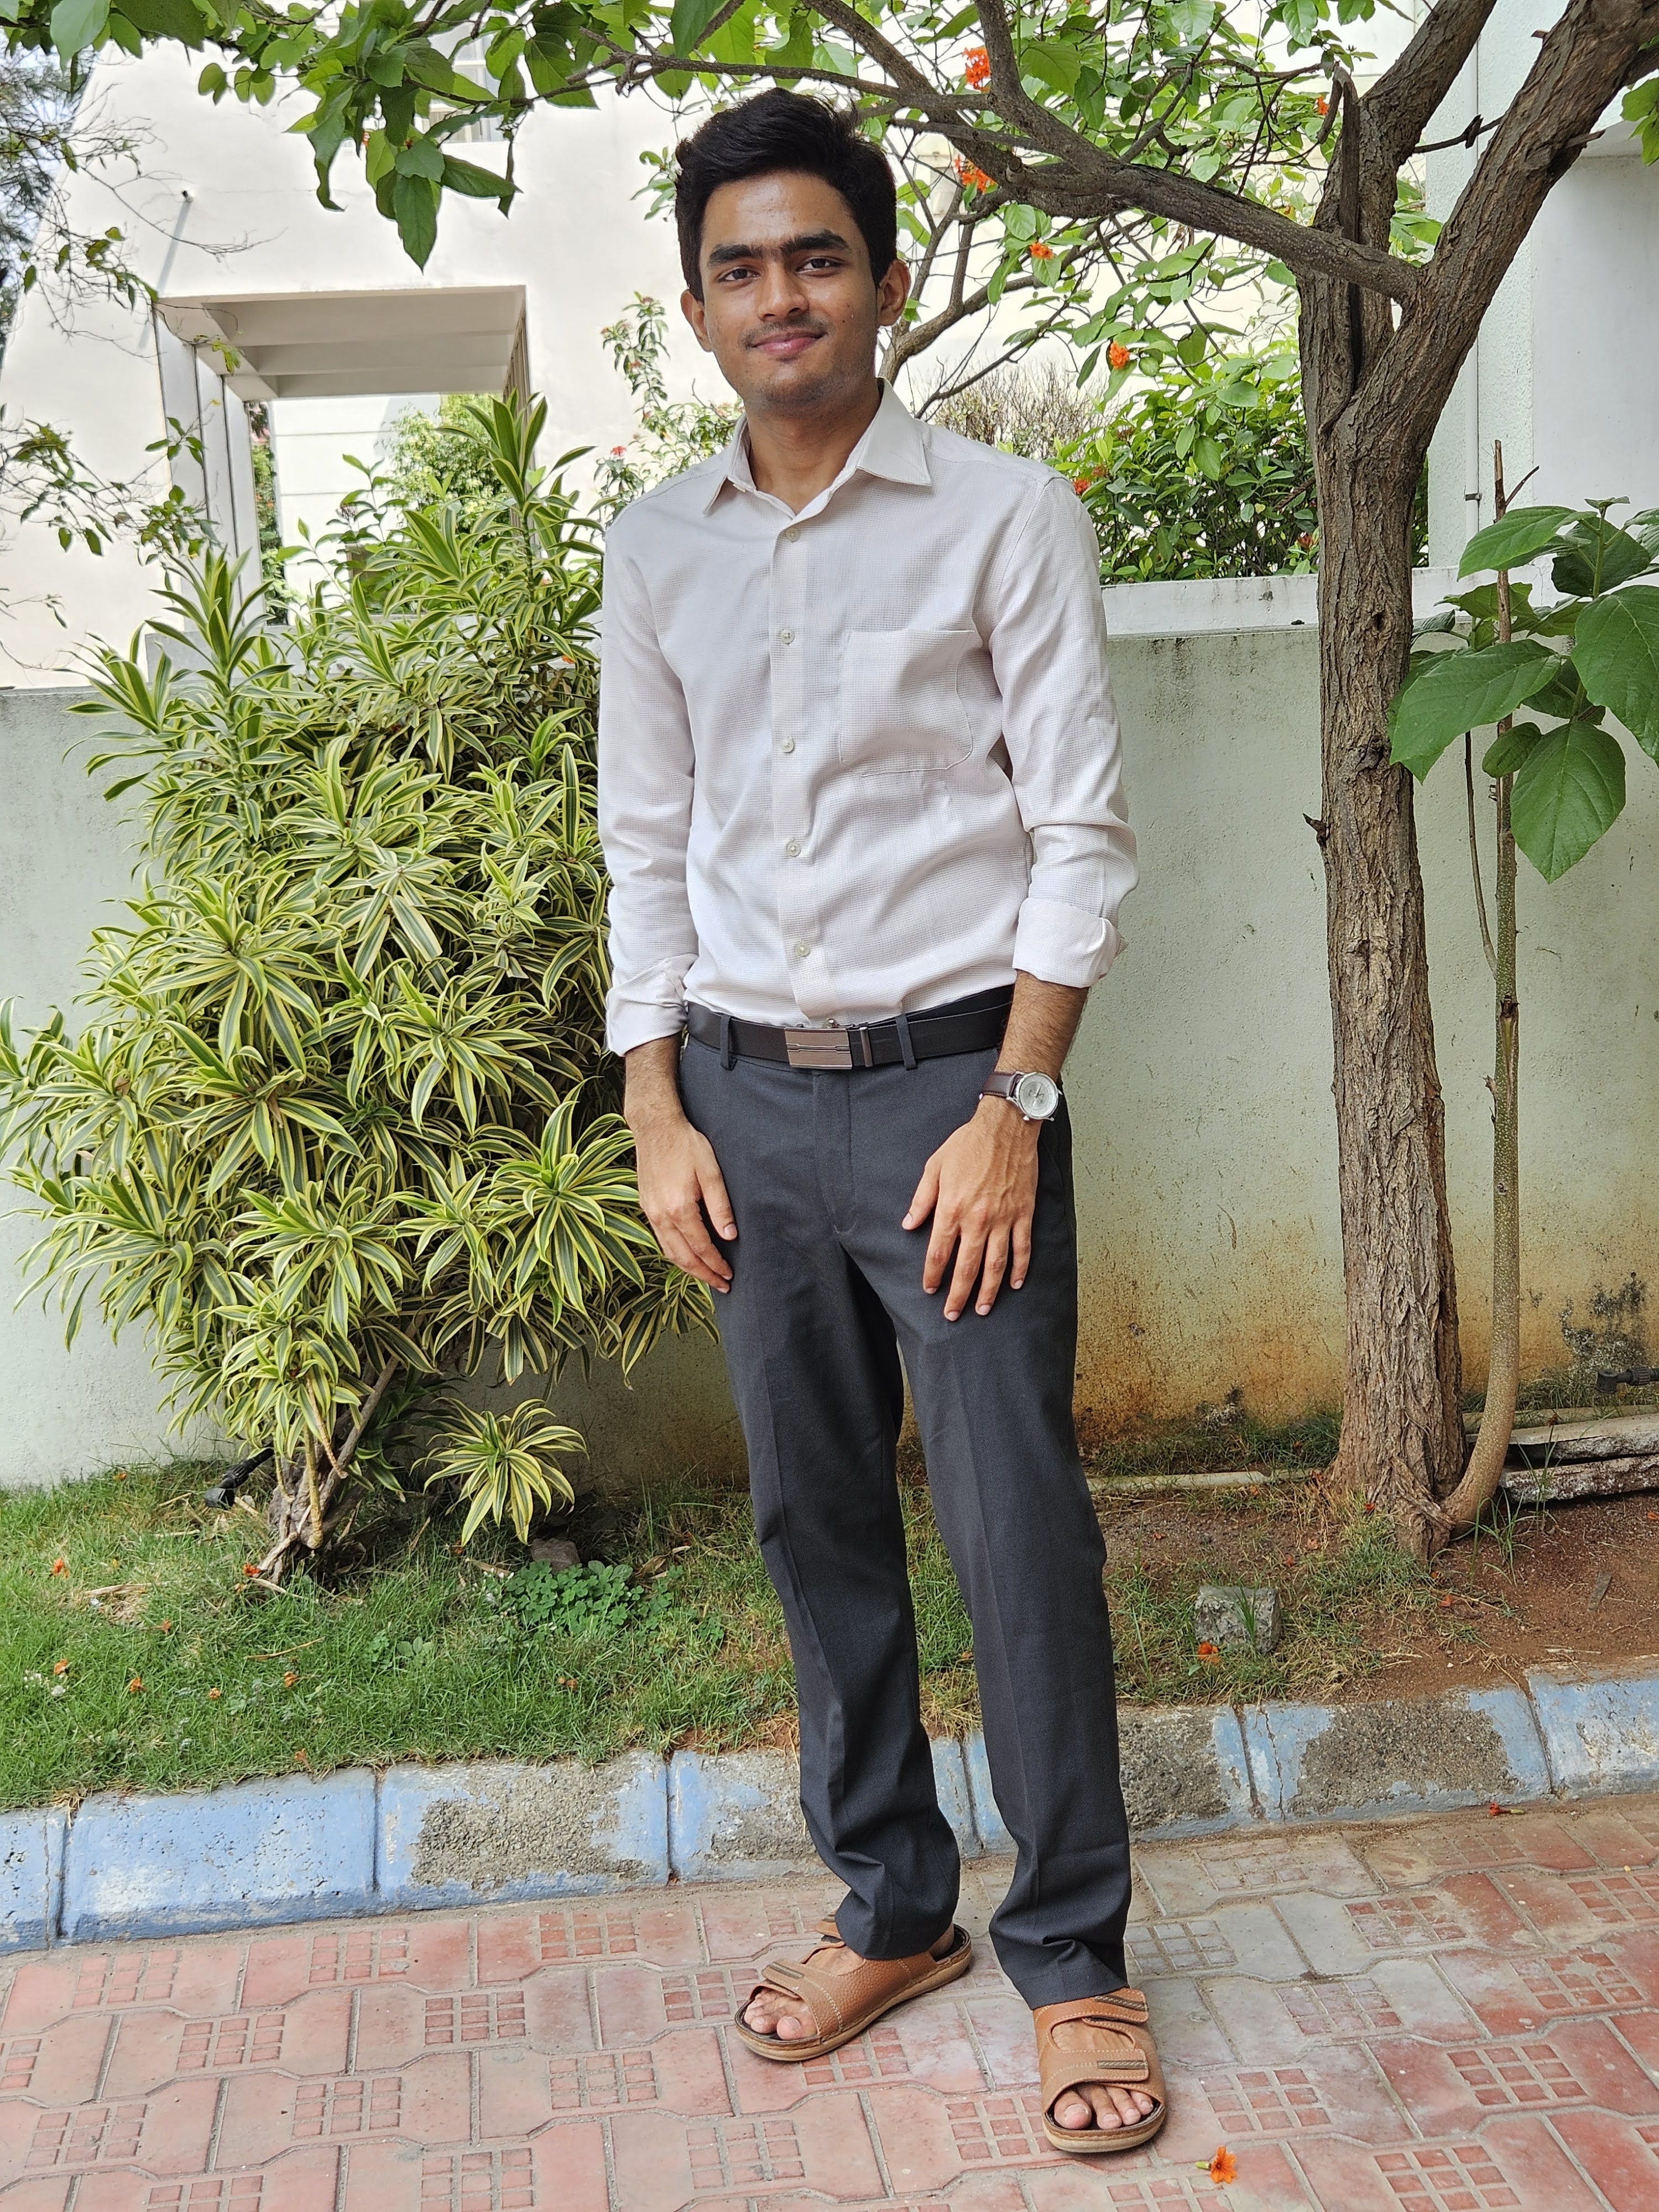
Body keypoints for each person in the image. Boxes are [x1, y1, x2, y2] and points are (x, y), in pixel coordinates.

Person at [596, 87, 1159, 2155]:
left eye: (814, 257)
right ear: (696, 309)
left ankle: (1074, 1953)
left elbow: (1080, 836)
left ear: (885, 282)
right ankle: (895, 1906)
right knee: (812, 1521)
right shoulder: (657, 550)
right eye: (739, 268)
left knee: (1016, 1527)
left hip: (952, 1102)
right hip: (742, 1103)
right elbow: (646, 845)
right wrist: (656, 1108)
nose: (781, 297)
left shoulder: (1005, 519)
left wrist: (1017, 1101)